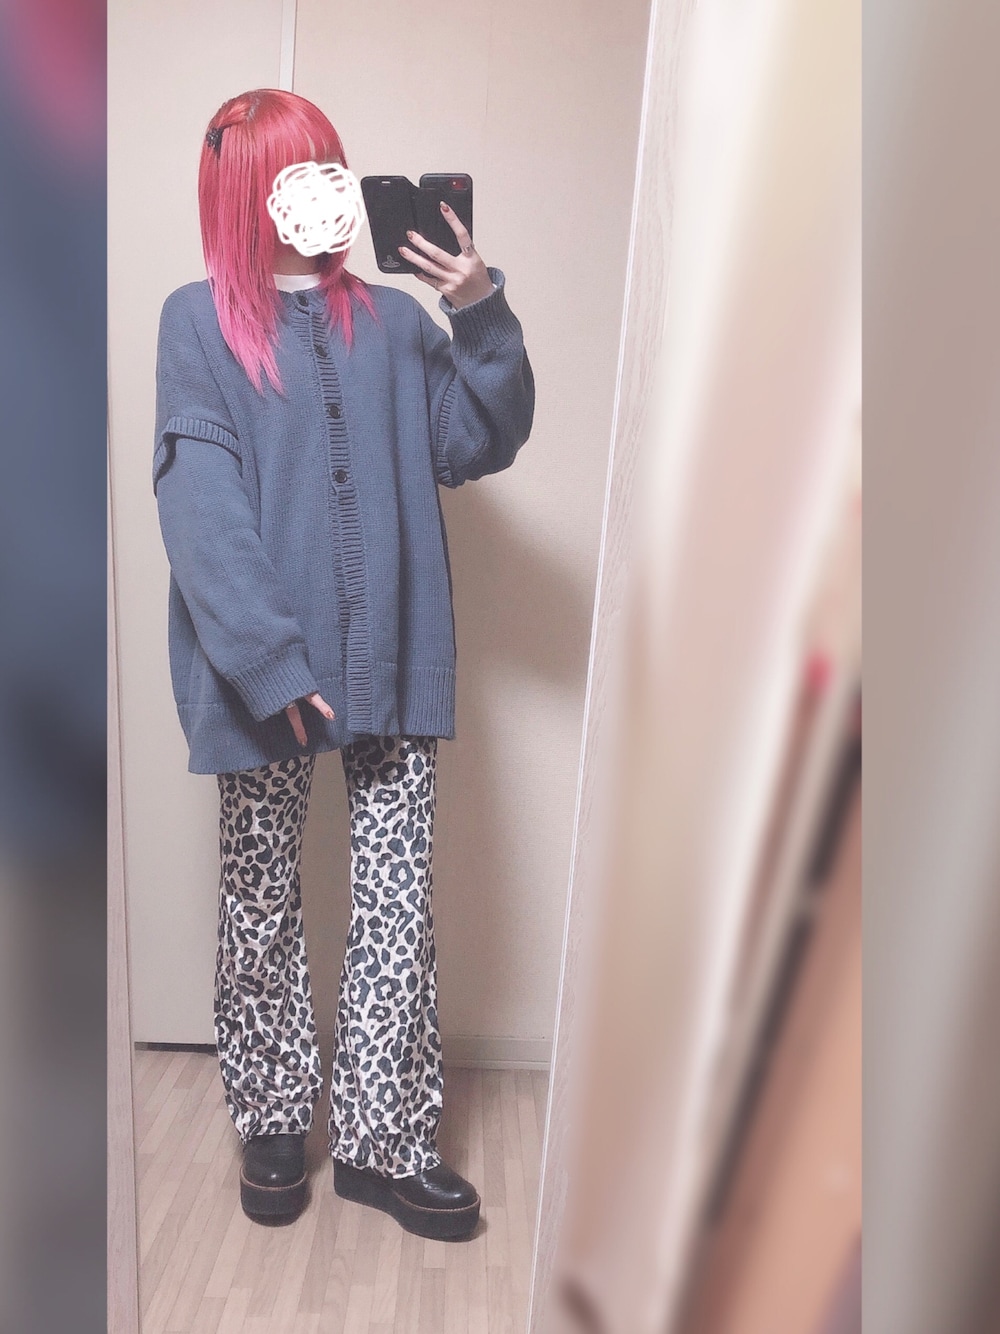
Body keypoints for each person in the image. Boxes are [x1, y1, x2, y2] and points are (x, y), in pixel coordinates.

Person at [152, 88, 534, 1242]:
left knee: (396, 906)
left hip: (393, 658)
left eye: (328, 165)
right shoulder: (197, 323)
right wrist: (269, 660)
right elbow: (199, 504)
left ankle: (384, 1139)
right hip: (261, 675)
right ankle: (274, 1119)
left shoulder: (398, 326)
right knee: (260, 898)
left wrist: (477, 310)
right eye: (293, 172)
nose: (320, 190)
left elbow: (478, 441)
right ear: (242, 191)